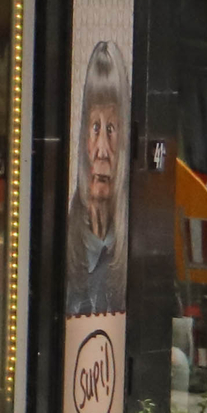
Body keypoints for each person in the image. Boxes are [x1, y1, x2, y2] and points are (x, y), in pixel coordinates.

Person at [64, 40, 128, 316]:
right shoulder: (64, 241)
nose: (102, 150)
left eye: (112, 129)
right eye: (95, 127)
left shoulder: (134, 245)